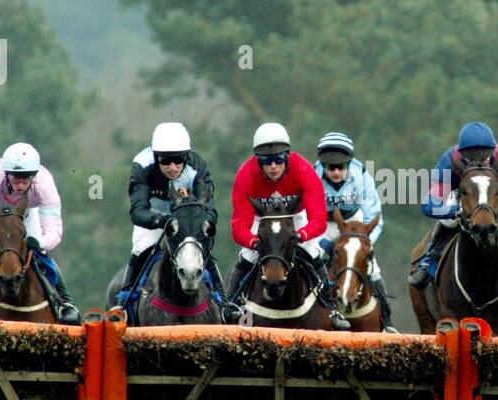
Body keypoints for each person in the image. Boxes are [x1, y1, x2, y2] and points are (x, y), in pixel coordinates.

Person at [223, 122, 350, 329]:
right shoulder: (246, 174)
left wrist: (301, 235)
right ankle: (230, 304)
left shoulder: (304, 170)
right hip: (261, 220)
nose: (273, 166)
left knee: (313, 252)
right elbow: (239, 227)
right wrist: (254, 242)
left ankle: (332, 308)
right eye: (267, 161)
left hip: (295, 218)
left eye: (279, 160)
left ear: (287, 156)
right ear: (259, 160)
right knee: (247, 256)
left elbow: (318, 219)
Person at [410, 121, 498, 298]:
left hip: (495, 199)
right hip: (464, 199)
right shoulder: (448, 162)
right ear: (460, 154)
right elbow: (429, 205)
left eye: (483, 157)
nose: (477, 161)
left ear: (492, 151)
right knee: (447, 221)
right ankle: (428, 263)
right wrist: (455, 212)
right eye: (470, 157)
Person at [118, 122, 221, 305]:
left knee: (200, 247)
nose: (172, 167)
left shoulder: (197, 165)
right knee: (142, 245)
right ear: (156, 156)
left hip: (187, 219)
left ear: (186, 156)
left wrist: (201, 224)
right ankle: (124, 301)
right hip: (154, 217)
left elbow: (210, 208)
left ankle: (223, 300)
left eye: (178, 160)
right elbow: (137, 211)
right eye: (165, 161)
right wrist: (161, 220)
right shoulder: (142, 164)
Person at [0, 142, 80, 324]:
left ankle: (65, 303)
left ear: (35, 176)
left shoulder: (44, 184)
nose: (21, 184)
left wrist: (40, 242)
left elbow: (54, 229)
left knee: (41, 254)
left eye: (26, 179)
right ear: (6, 174)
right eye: (16, 178)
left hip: (28, 212)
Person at [314, 131, 397, 332]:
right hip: (323, 224)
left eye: (340, 166)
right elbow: (307, 216)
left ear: (348, 163)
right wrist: (322, 243)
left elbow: (375, 216)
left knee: (373, 268)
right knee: (312, 257)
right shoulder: (313, 175)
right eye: (329, 166)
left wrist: (365, 243)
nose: (335, 172)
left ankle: (387, 322)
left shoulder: (361, 175)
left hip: (354, 222)